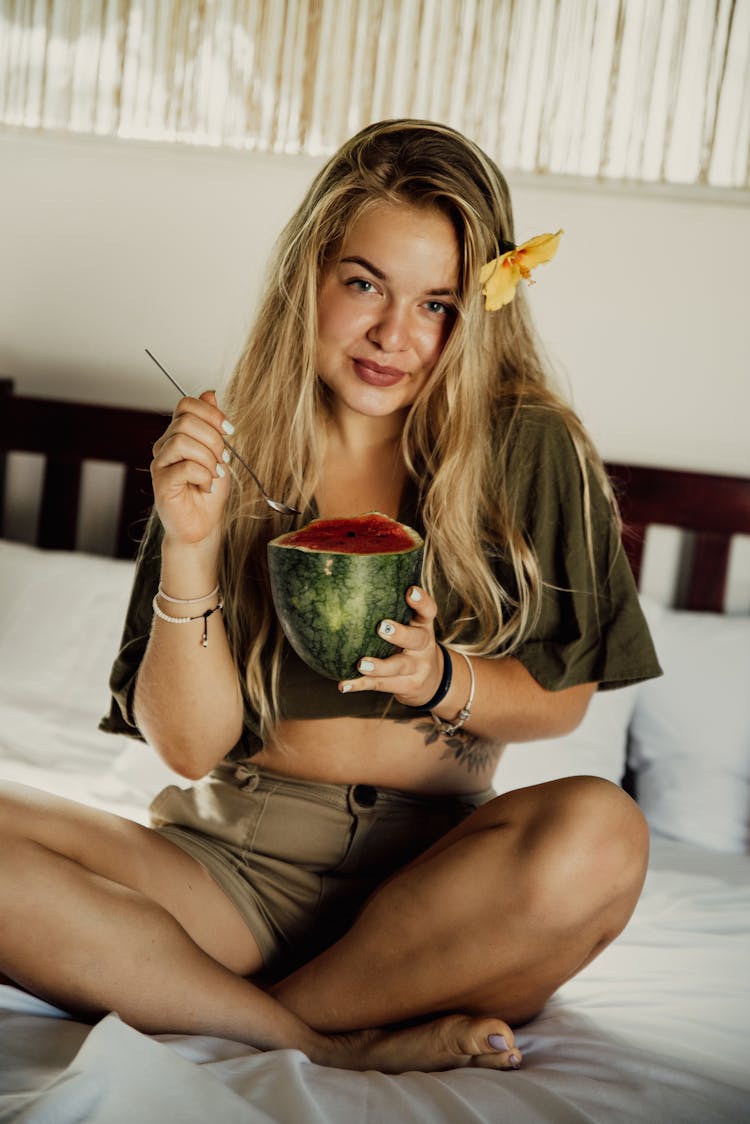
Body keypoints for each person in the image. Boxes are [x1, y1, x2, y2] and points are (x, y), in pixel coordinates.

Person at [0, 119, 660, 1073]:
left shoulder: (532, 448)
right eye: (364, 285)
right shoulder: (229, 447)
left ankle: (206, 1002)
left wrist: (443, 681)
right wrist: (189, 547)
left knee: (605, 830)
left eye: (436, 303)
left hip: (444, 898)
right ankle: (322, 1042)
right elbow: (187, 748)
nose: (395, 336)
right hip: (227, 876)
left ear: (480, 307)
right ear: (308, 272)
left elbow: (561, 701)